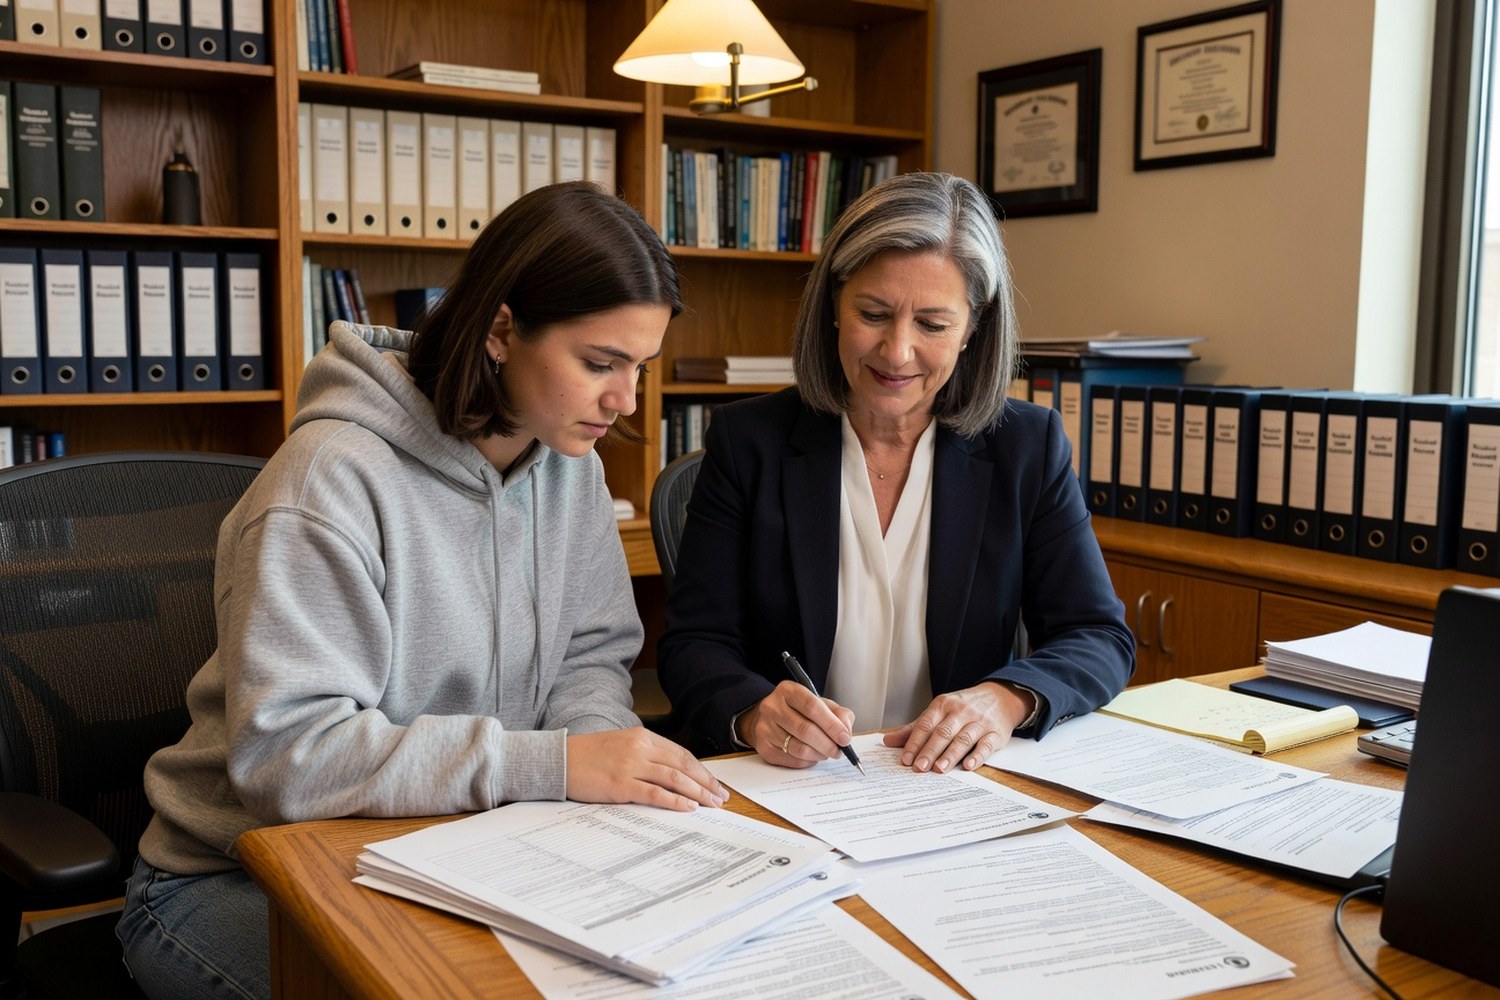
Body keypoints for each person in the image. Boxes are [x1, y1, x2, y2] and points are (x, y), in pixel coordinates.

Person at [117, 181, 729, 1000]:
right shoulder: (329, 482)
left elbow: (589, 657)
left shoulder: (567, 467)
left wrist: (597, 763)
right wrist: (551, 764)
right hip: (232, 877)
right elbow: (290, 758)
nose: (625, 401)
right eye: (599, 363)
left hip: (454, 854)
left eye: (640, 367)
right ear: (504, 331)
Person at [657, 171, 1134, 774]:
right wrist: (754, 711)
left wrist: (1005, 700)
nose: (897, 351)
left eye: (933, 324)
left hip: (950, 783)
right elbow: (693, 645)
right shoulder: (749, 441)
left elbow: (1098, 636)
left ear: (973, 329)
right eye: (874, 313)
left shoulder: (1026, 446)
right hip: (784, 781)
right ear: (834, 304)